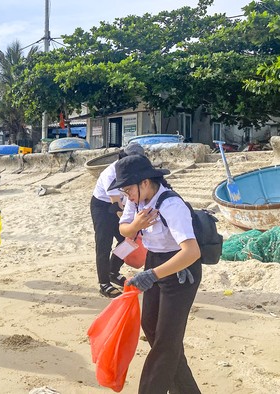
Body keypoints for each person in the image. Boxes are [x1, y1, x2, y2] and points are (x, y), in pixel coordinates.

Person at [109, 154, 201, 394]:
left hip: (181, 270)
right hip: (155, 260)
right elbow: (123, 228)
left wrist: (152, 275)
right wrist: (137, 225)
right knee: (151, 326)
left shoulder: (171, 205)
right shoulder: (137, 200)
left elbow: (192, 252)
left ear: (145, 182)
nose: (126, 196)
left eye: (128, 189)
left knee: (165, 342)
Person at [90, 142, 147, 298]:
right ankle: (104, 283)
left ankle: (113, 271)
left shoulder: (134, 171)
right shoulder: (111, 174)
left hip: (121, 204)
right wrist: (131, 225)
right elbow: (116, 206)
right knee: (104, 244)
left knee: (127, 242)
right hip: (102, 206)